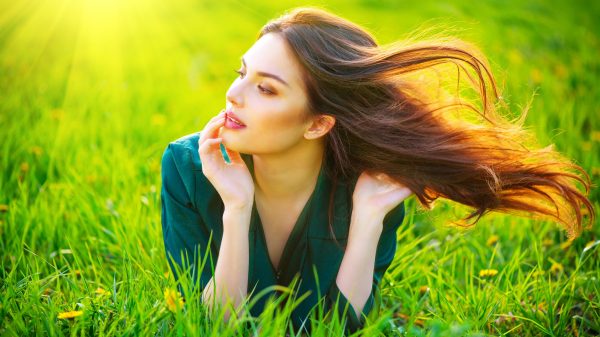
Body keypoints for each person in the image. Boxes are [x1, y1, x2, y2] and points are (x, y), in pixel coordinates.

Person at [160, 7, 595, 334]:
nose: (233, 94)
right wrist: (236, 208)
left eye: (266, 88)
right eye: (242, 73)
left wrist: (368, 220)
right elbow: (219, 324)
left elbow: (342, 327)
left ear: (318, 123)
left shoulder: (370, 186)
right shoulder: (189, 168)